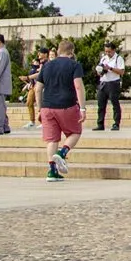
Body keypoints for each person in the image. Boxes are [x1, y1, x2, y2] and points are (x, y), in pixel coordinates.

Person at [37, 38, 87, 181]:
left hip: (47, 107)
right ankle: (63, 152)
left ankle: (52, 172)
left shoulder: (46, 66)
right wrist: (82, 108)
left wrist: (40, 109)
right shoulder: (74, 65)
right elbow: (78, 86)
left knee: (51, 140)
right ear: (72, 52)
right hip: (67, 105)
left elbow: (38, 89)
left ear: (58, 51)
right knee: (75, 132)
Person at [96, 41, 125, 130]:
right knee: (101, 104)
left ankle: (116, 123)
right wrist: (100, 71)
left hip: (113, 83)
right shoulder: (104, 58)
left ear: (113, 50)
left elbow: (121, 72)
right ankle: (100, 124)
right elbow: (99, 72)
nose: (107, 53)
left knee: (115, 103)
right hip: (103, 82)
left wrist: (110, 68)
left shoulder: (118, 58)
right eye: (106, 51)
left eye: (109, 51)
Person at [24, 47, 49, 131]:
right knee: (30, 102)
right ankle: (33, 121)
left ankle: (44, 122)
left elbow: (39, 74)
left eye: (40, 53)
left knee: (42, 103)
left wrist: (27, 77)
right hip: (35, 86)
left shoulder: (47, 63)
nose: (38, 55)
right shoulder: (41, 63)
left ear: (45, 54)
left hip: (43, 86)